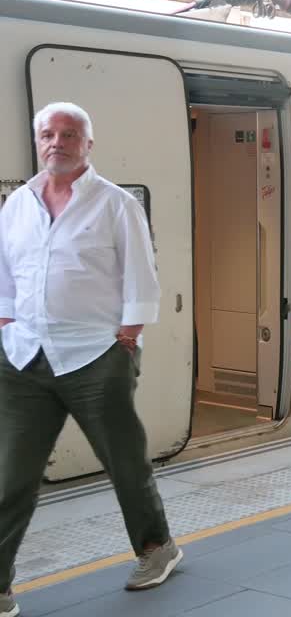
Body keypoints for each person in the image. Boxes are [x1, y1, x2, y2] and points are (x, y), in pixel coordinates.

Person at [0, 103, 183, 617]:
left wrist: (129, 331)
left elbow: (141, 274)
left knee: (124, 461)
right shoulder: (18, 204)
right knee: (10, 473)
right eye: (48, 133)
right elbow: (5, 274)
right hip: (24, 357)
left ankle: (157, 547)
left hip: (96, 353)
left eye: (69, 134)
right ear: (38, 141)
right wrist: (6, 322)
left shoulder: (115, 204)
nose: (56, 141)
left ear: (88, 144)